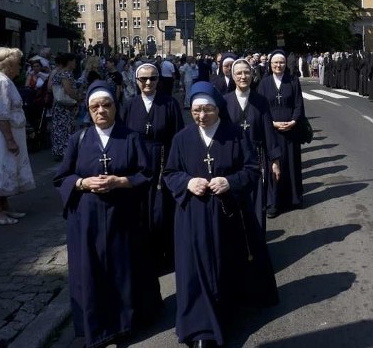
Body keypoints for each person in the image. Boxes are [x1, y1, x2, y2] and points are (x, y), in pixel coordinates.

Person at [164, 82, 278, 348]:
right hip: (191, 218)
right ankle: (200, 327)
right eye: (196, 110)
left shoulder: (235, 135)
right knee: (195, 271)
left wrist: (230, 182)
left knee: (224, 267)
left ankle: (224, 315)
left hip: (227, 217)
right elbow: (170, 173)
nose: (201, 116)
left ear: (218, 109)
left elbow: (251, 170)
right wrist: (187, 183)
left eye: (207, 110)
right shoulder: (182, 138)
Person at [54, 81, 161, 348]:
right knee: (92, 273)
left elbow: (146, 174)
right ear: (88, 111)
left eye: (106, 105)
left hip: (122, 216)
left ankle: (125, 323)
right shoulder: (77, 139)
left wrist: (120, 181)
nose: (101, 110)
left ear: (115, 106)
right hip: (86, 220)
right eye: (95, 107)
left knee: (124, 270)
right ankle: (97, 327)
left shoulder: (131, 137)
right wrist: (83, 184)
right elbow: (62, 178)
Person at [120, 62, 184, 274]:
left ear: (159, 80)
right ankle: (143, 257)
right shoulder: (129, 105)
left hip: (163, 162)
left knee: (162, 211)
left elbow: (178, 136)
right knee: (139, 212)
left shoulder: (170, 103)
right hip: (138, 164)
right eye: (143, 79)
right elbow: (123, 138)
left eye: (153, 78)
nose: (148, 82)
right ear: (136, 81)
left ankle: (166, 256)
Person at [225, 59, 282, 231]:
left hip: (257, 159)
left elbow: (268, 132)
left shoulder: (261, 101)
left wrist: (275, 160)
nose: (243, 76)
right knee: (234, 204)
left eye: (247, 72)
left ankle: (257, 248)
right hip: (233, 160)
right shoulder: (224, 102)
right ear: (233, 76)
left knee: (257, 203)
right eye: (239, 73)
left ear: (252, 74)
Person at [0, 48, 35, 224]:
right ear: (10, 65)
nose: (20, 67)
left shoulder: (3, 81)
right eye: (18, 63)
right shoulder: (1, 82)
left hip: (8, 131)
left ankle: (4, 205)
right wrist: (10, 140)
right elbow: (1, 114)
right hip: (3, 134)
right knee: (2, 167)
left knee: (9, 167)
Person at [256, 49, 305, 218]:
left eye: (281, 62)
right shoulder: (264, 83)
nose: (279, 65)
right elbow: (260, 108)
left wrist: (293, 121)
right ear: (270, 65)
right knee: (274, 166)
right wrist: (272, 123)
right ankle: (274, 203)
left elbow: (299, 104)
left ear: (286, 64)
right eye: (275, 63)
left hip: (290, 130)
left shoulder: (293, 80)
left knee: (291, 164)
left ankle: (294, 198)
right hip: (272, 130)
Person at [49, 53, 81, 160]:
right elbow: (68, 90)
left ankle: (59, 150)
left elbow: (50, 87)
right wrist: (77, 98)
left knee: (59, 128)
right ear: (69, 62)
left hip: (58, 105)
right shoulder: (66, 74)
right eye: (74, 61)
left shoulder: (57, 73)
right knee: (66, 128)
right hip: (65, 106)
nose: (75, 63)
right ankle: (65, 151)